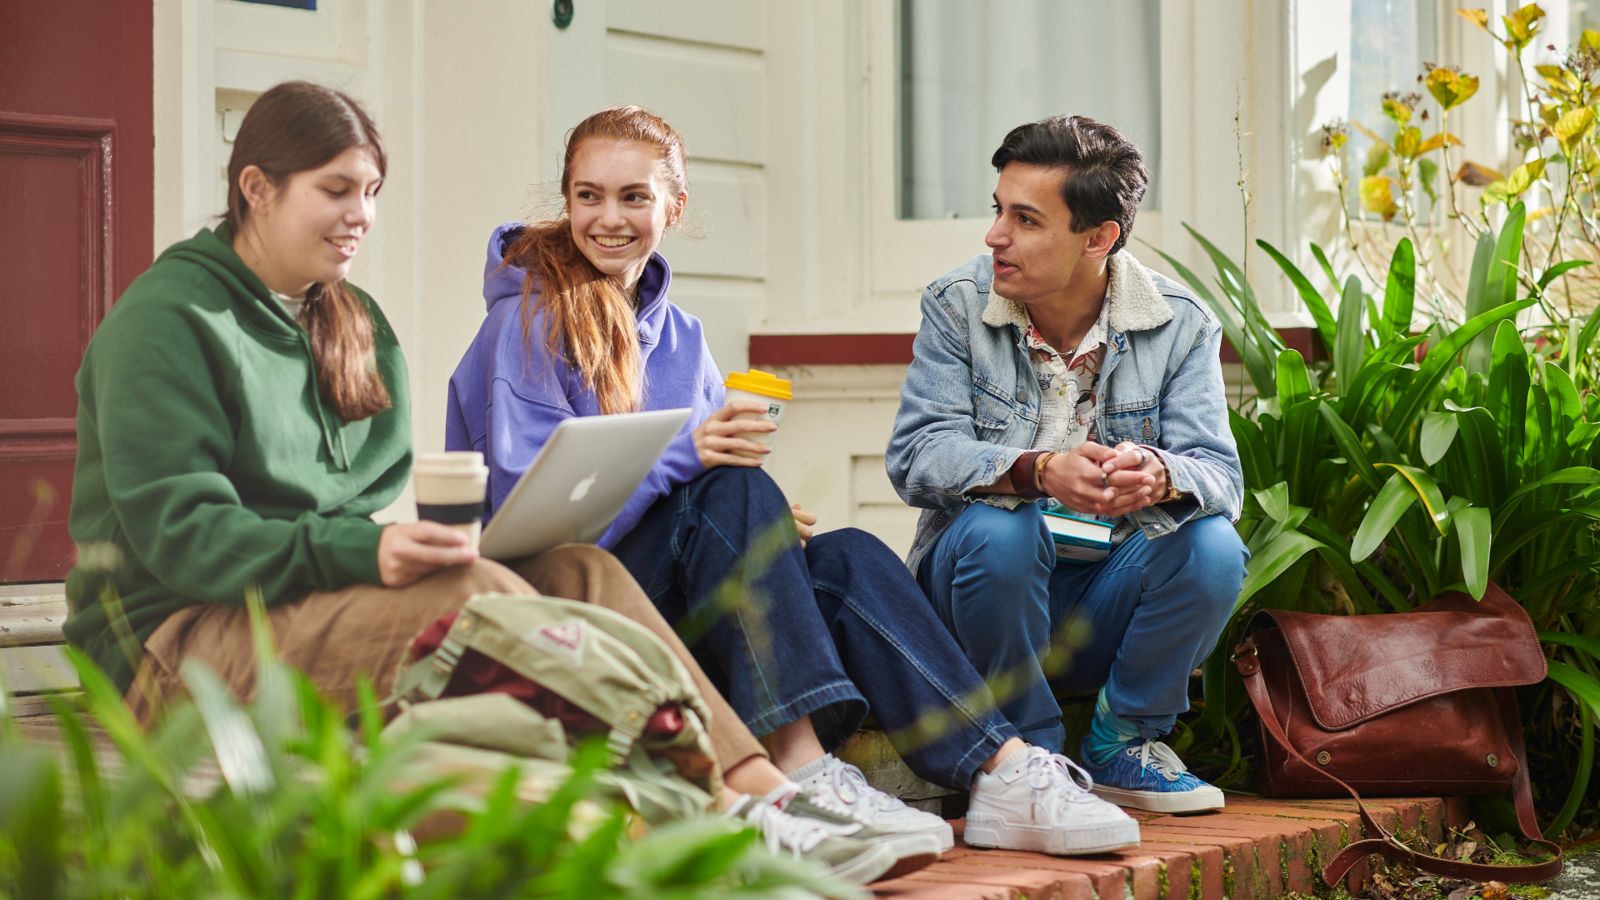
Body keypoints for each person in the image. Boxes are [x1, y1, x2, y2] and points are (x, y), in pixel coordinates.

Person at [61, 80, 929, 886]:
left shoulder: (346, 319)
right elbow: (184, 539)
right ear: (255, 187)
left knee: (580, 574)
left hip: (306, 595)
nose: (360, 215)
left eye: (371, 191)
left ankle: (763, 792)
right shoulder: (168, 324)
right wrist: (370, 547)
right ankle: (723, 809)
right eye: (336, 190)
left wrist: (378, 544)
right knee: (477, 587)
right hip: (177, 643)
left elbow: (355, 492)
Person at [447, 105, 1140, 856]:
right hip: (573, 614)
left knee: (846, 555)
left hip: (679, 619)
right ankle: (803, 773)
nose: (607, 218)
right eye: (588, 195)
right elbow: (530, 513)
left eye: (633, 197)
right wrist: (694, 463)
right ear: (567, 200)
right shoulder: (523, 325)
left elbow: (705, 496)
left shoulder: (680, 335)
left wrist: (768, 529)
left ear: (672, 208)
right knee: (731, 492)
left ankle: (998, 772)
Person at [886, 114, 1248, 814]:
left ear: (1099, 238)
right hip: (977, 601)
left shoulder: (1179, 322)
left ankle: (1123, 745)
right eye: (999, 211)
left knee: (1212, 544)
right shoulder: (956, 305)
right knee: (1004, 530)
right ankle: (1031, 754)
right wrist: (1038, 471)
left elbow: (1222, 478)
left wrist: (1163, 474)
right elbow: (916, 456)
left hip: (1100, 601)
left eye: (1025, 219)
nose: (995, 235)